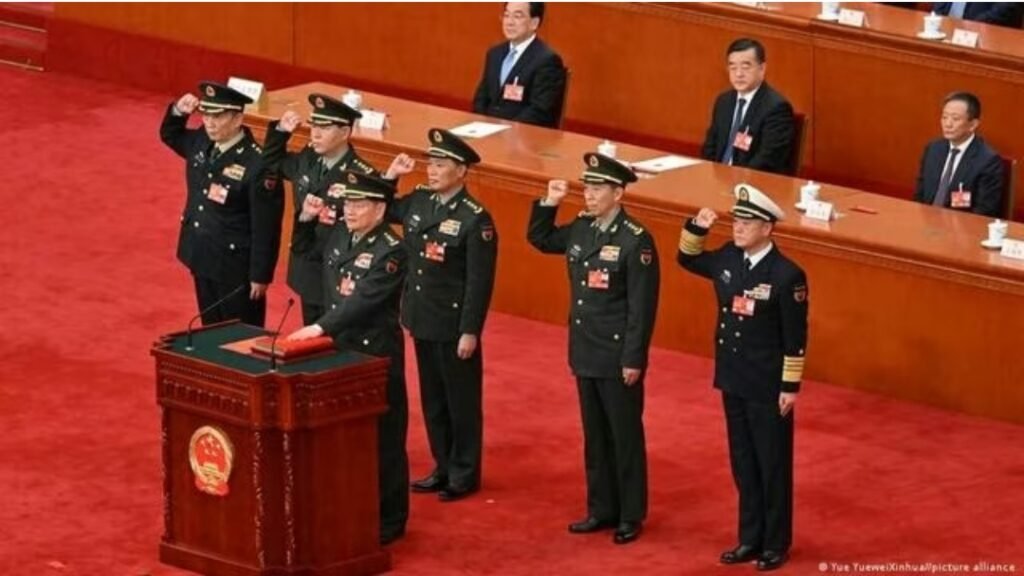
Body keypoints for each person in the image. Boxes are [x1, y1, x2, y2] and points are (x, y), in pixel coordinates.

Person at [527, 153, 659, 545]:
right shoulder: (583, 228)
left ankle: (630, 514)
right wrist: (549, 203)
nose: (589, 195)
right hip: (585, 349)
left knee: (624, 436)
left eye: (598, 188)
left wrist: (634, 358)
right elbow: (541, 239)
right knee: (595, 436)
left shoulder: (635, 239)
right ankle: (601, 508)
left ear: (618, 193)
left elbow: (641, 308)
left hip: (617, 355)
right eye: (587, 187)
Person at [676, 184, 808, 572]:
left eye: (747, 223)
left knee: (772, 464)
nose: (738, 228)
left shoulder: (786, 275)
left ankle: (775, 542)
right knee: (743, 462)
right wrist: (697, 227)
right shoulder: (728, 257)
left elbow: (795, 337)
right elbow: (687, 259)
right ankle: (750, 537)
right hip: (733, 377)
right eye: (736, 221)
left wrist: (789, 387)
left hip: (767, 384)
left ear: (767, 228)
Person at [286, 171, 409, 546]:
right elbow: (305, 253)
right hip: (339, 350)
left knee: (383, 439)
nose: (349, 210)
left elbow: (364, 300)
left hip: (374, 354)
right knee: (345, 435)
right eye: (347, 203)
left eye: (359, 204)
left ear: (380, 209)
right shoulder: (341, 233)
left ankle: (389, 519)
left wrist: (319, 327)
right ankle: (352, 508)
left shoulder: (391, 250)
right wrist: (304, 219)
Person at [386, 130, 498, 502]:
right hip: (422, 315)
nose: (432, 171)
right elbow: (385, 208)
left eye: (440, 165)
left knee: (460, 402)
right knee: (433, 399)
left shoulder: (475, 219)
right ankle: (443, 465)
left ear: (461, 170)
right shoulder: (421, 200)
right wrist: (391, 176)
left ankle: (464, 473)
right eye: (430, 164)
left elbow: (479, 282)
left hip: (453, 324)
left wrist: (470, 330)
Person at [160, 81, 283, 326]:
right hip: (201, 253)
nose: (210, 122)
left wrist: (260, 275)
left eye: (217, 116)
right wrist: (178, 112)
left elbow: (266, 227)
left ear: (238, 119)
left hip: (235, 266)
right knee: (210, 329)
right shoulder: (202, 141)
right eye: (206, 115)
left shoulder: (258, 165)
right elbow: (170, 135)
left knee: (239, 335)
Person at [262, 92, 389, 325]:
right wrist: (280, 132)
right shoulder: (307, 159)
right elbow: (271, 162)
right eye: (314, 126)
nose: (316, 134)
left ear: (345, 132)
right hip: (309, 268)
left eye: (325, 128)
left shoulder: (361, 175)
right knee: (311, 337)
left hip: (341, 274)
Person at [701, 38, 795, 175]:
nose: (738, 74)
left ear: (762, 69)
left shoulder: (776, 108)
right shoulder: (724, 101)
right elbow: (709, 148)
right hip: (719, 179)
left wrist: (736, 179)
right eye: (733, 67)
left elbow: (767, 160)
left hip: (752, 182)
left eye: (745, 67)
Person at [472, 2, 567, 128]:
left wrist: (506, 130)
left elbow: (540, 111)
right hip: (486, 130)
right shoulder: (494, 54)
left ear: (534, 23)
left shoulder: (547, 60)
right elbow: (481, 98)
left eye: (517, 16)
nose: (509, 22)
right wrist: (480, 124)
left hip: (523, 134)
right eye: (506, 15)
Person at [913, 91, 1004, 217]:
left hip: (960, 226)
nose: (948, 124)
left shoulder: (988, 161)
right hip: (926, 221)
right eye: (944, 117)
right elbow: (919, 195)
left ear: (973, 124)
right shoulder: (933, 149)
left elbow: (984, 211)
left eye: (955, 119)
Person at [932, 3, 1024, 28]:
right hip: (941, 34)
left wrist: (968, 27)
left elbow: (1007, 7)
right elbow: (939, 7)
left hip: (986, 42)